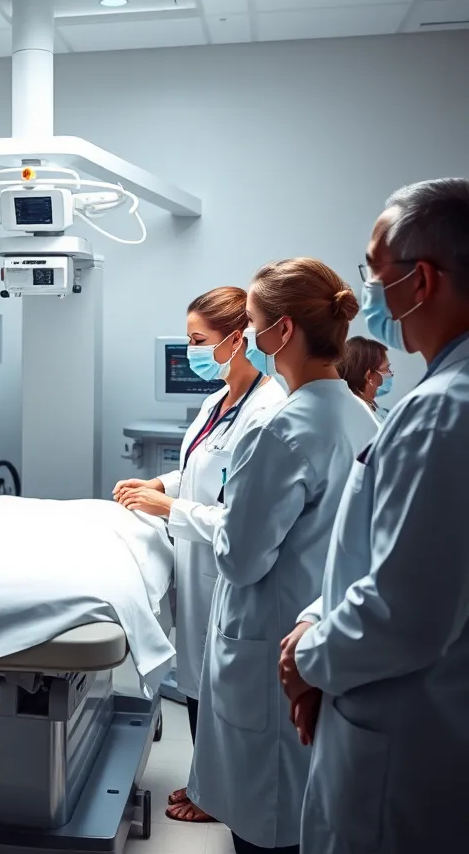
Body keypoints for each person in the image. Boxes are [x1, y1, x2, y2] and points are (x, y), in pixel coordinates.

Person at [279, 179, 469, 854]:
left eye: (374, 270)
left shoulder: (444, 410)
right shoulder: (438, 399)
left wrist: (307, 656)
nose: (370, 292)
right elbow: (404, 560)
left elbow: (405, 613)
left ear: (419, 282)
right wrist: (317, 618)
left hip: (402, 740)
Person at [186, 258, 377, 854]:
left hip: (271, 646)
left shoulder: (282, 431)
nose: (252, 335)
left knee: (268, 821)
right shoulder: (358, 413)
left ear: (283, 332)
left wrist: (198, 520)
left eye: (255, 322)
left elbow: (241, 560)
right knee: (309, 811)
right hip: (323, 634)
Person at [113, 286, 286, 825]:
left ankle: (220, 794)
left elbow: (243, 517)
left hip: (228, 573)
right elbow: (199, 472)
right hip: (198, 565)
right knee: (197, 686)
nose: (190, 350)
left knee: (222, 695)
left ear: (237, 340)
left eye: (197, 340)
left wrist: (168, 508)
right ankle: (205, 783)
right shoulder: (219, 400)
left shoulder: (266, 411)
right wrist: (159, 483)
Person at [337, 335, 392, 420]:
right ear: (369, 376)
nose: (391, 374)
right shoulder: (360, 416)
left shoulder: (372, 407)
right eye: (386, 369)